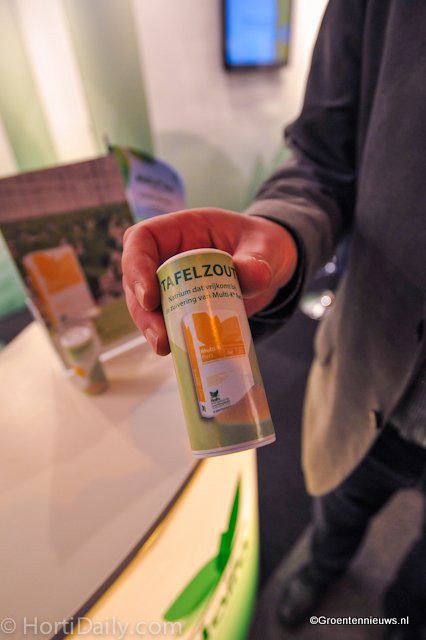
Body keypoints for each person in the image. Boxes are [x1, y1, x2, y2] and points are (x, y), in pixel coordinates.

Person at [122, 1, 426, 637]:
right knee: (336, 507)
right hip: (370, 371)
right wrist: (282, 230)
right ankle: (320, 571)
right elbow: (322, 162)